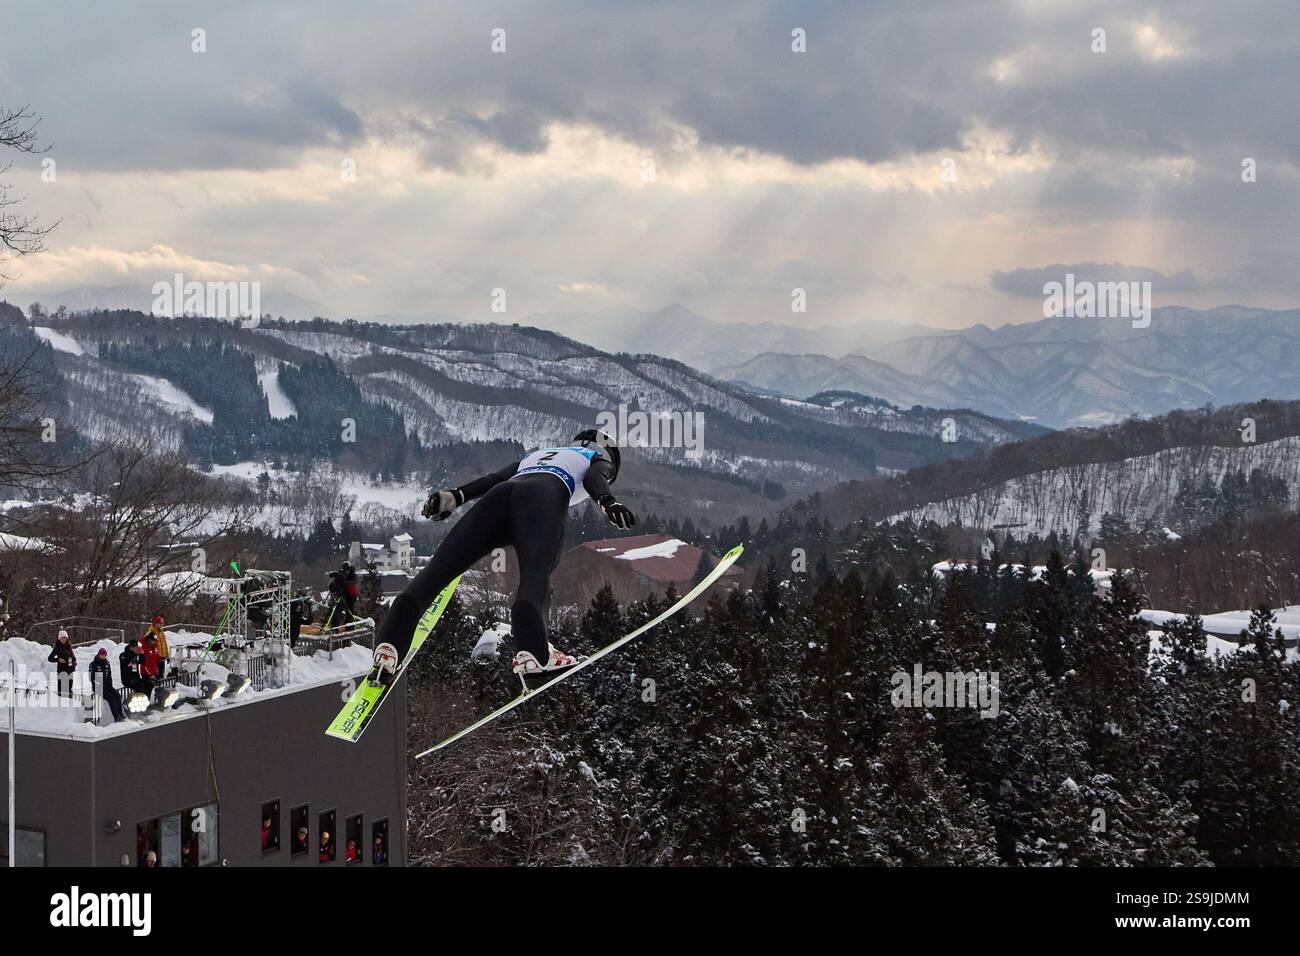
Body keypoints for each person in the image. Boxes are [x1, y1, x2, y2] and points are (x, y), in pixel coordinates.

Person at [373, 428, 635, 680]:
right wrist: (607, 502)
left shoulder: (538, 454)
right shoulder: (597, 459)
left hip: (498, 498)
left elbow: (494, 480)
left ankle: (389, 646)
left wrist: (454, 496)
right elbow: (594, 479)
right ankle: (533, 653)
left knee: (437, 572)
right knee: (536, 576)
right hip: (540, 499)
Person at [89, 647, 126, 722]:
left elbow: (109, 675)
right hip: (98, 687)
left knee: (117, 695)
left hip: (107, 686)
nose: (103, 657)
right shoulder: (93, 664)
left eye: (104, 655)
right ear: (98, 655)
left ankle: (120, 713)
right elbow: (91, 678)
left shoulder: (107, 663)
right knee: (111, 697)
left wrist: (110, 684)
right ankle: (116, 717)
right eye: (101, 655)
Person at [47, 629, 76, 698]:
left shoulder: (69, 646)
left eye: (65, 638)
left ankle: (70, 701)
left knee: (69, 686)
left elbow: (73, 657)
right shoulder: (57, 647)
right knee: (61, 688)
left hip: (70, 669)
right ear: (59, 639)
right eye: (62, 638)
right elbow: (50, 658)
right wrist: (58, 659)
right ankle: (61, 702)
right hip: (62, 669)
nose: (63, 639)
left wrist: (73, 662)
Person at [144, 615, 170, 681]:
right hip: (155, 657)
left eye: (162, 624)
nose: (161, 625)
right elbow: (146, 644)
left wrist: (167, 655)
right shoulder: (151, 633)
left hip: (162, 657)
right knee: (156, 674)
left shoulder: (161, 632)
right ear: (155, 624)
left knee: (161, 674)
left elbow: (164, 644)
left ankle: (160, 687)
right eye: (159, 624)